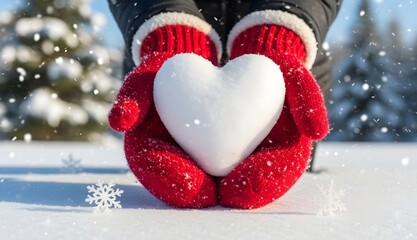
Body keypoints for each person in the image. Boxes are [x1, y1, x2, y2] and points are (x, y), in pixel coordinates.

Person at [107, 0, 342, 209]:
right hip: (166, 94)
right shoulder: (168, 76)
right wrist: (169, 31)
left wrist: (281, 31)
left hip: (280, 99)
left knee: (271, 179)